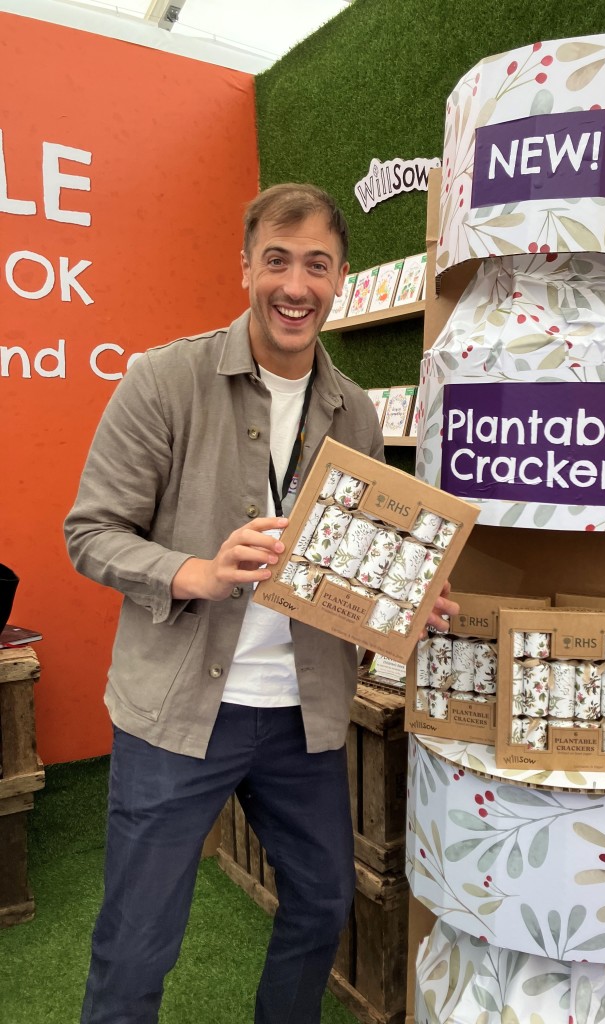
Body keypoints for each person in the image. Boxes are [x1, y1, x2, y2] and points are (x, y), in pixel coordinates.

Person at [64, 182, 458, 1024]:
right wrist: (197, 571)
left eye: (316, 265)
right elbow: (91, 533)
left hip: (302, 716)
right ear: (245, 266)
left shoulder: (352, 410)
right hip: (176, 711)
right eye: (276, 260)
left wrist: (404, 593)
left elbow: (347, 559)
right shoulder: (163, 379)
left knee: (321, 904)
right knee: (138, 941)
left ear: (341, 276)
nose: (295, 284)